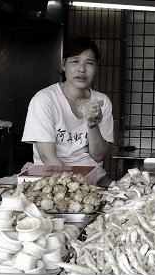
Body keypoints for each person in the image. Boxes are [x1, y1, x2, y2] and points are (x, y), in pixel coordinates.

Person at [22, 36, 113, 186]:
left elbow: (98, 156)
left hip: (94, 179)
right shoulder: (44, 100)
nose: (82, 69)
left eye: (89, 63)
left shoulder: (101, 102)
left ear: (96, 67)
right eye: (75, 61)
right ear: (64, 64)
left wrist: (93, 126)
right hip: (52, 178)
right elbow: (47, 156)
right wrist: (73, 187)